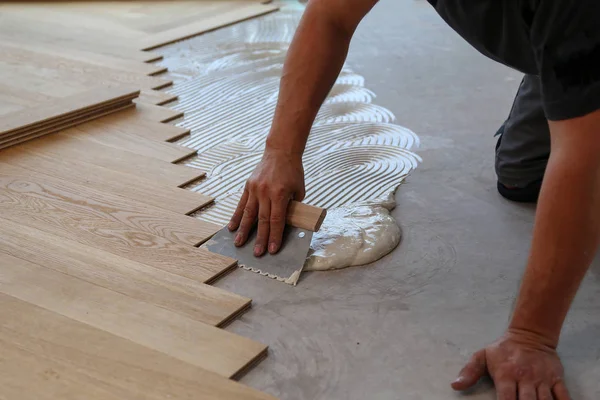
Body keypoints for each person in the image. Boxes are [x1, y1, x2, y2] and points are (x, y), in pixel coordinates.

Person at [228, 1, 600, 398]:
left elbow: (585, 162)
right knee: (521, 176)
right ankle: (564, 70)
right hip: (564, 40)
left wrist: (531, 336)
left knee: (580, 151)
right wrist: (280, 152)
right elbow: (331, 16)